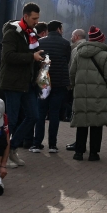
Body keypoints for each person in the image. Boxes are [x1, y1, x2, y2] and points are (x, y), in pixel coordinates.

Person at [0, 3, 46, 168]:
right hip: (13, 83)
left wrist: (41, 60)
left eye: (38, 18)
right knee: (11, 121)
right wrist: (31, 57)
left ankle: (12, 148)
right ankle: (3, 157)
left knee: (34, 116)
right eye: (34, 18)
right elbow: (8, 56)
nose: (36, 21)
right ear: (25, 16)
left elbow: (32, 55)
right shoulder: (12, 33)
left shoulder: (31, 33)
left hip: (28, 84)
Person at [68, 26, 107, 160]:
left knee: (82, 122)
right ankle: (93, 154)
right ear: (100, 40)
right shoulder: (105, 55)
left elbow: (72, 73)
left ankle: (79, 152)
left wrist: (74, 86)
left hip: (81, 92)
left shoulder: (78, 53)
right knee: (96, 123)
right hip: (99, 93)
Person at [34, 19, 71, 154]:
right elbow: (67, 60)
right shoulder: (66, 44)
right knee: (54, 113)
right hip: (59, 83)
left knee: (41, 113)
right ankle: (52, 145)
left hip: (43, 83)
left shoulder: (41, 42)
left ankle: (37, 144)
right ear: (59, 29)